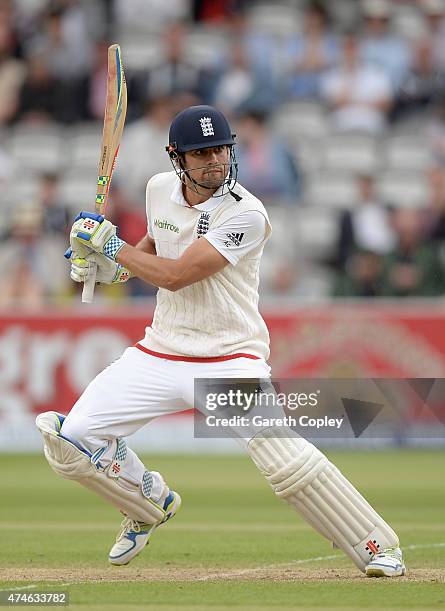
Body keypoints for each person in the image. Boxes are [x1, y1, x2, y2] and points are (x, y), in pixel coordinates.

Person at [36, 105, 405, 577]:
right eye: (202, 153)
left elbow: (175, 275)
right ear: (177, 158)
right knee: (70, 439)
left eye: (221, 150)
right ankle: (149, 501)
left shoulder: (247, 213)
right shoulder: (157, 190)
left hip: (227, 358)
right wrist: (102, 266)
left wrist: (110, 245)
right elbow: (152, 253)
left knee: (282, 461)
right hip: (160, 351)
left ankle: (376, 545)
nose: (215, 161)